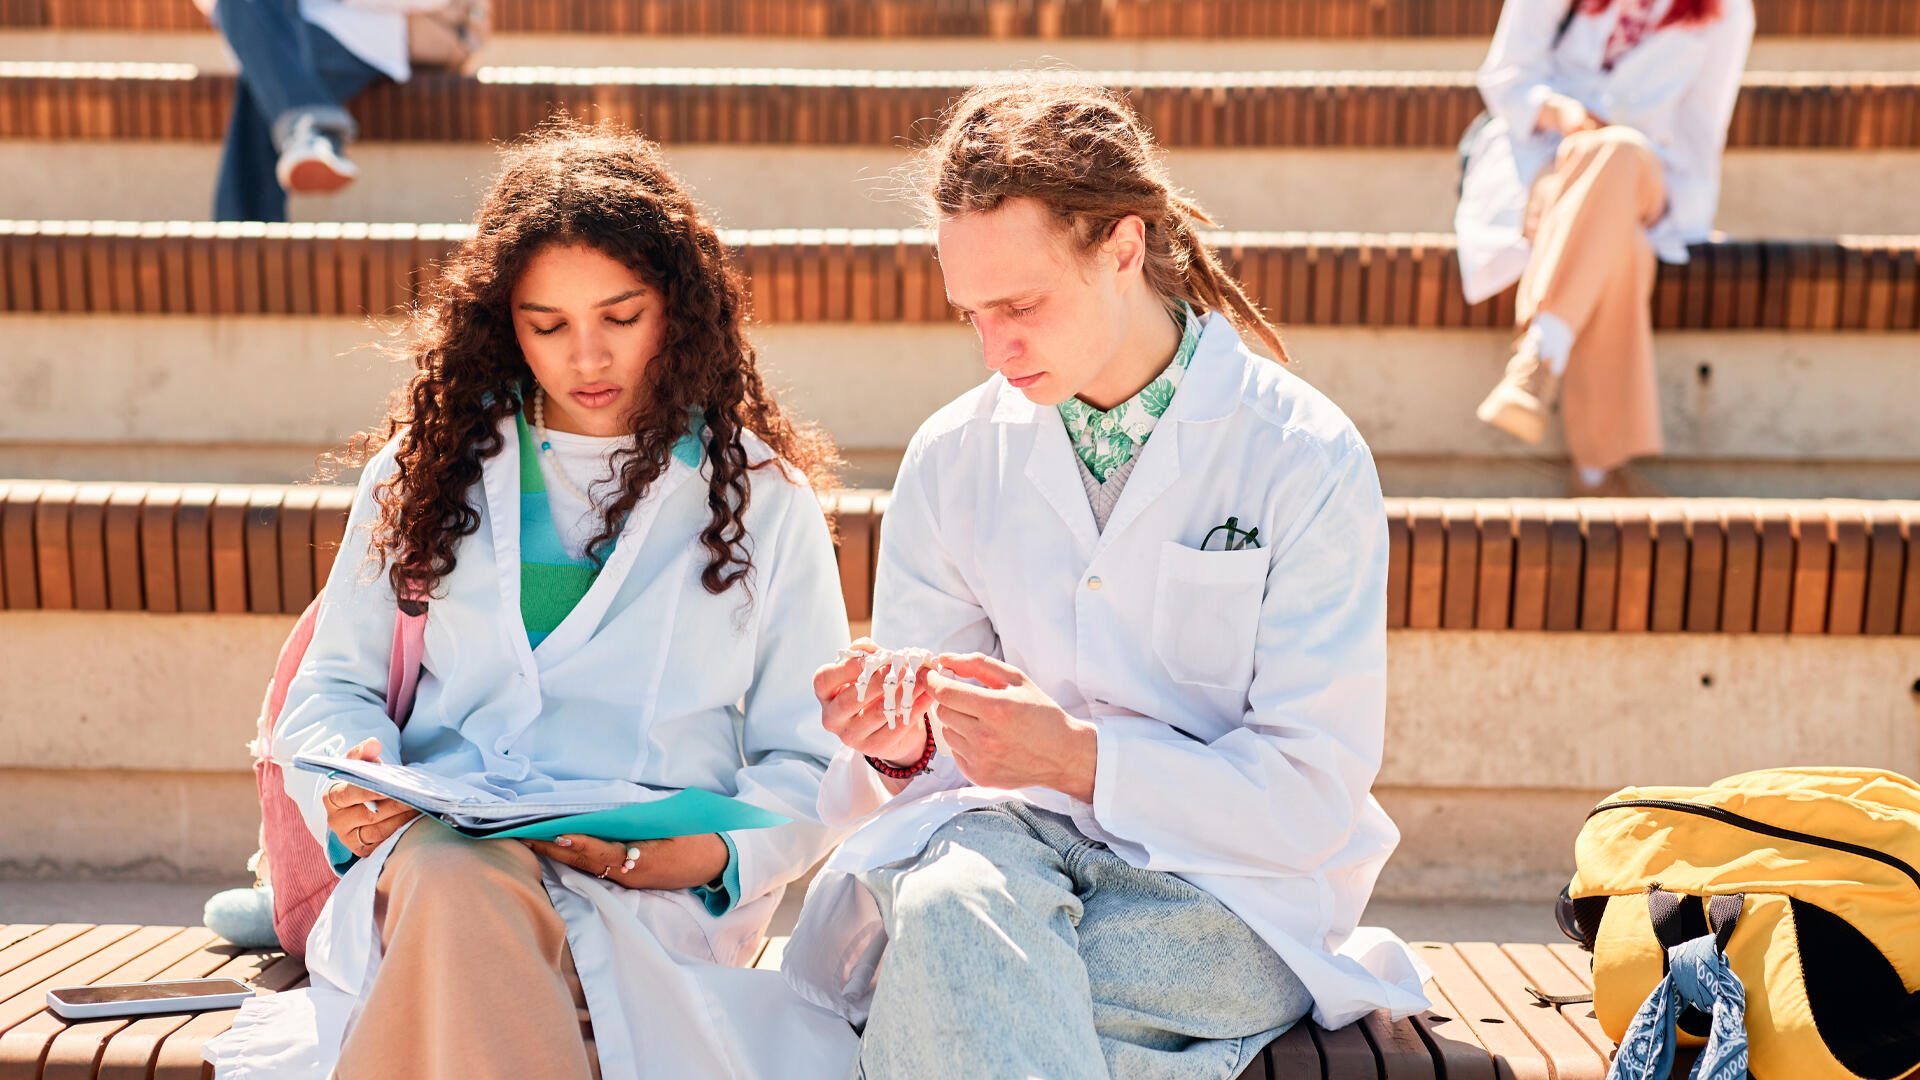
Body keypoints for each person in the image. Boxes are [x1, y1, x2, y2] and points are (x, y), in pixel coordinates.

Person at [780, 80, 1430, 1080]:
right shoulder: (955, 456)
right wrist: (905, 746)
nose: (994, 349)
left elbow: (1312, 795)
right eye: (971, 314)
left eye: (1020, 305)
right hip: (996, 863)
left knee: (950, 974)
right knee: (959, 920)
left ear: (1123, 248)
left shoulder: (1303, 454)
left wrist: (1080, 760)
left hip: (1217, 894)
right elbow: (936, 785)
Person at [203, 121, 859, 1080]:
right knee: (461, 879)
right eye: (545, 325)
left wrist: (695, 857)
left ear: (679, 307)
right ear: (502, 321)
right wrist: (349, 773)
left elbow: (810, 757)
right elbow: (331, 690)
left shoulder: (761, 498)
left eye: (620, 316)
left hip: (648, 897)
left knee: (463, 927)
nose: (584, 357)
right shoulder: (424, 473)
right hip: (432, 859)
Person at [1457, 0, 1755, 496]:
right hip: (1547, 161)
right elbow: (1507, 74)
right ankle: (1597, 471)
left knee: (1617, 150)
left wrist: (1677, 219)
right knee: (1622, 245)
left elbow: (1701, 127)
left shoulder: (1726, 11)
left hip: (1646, 173)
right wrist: (1562, 112)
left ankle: (1539, 358)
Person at [196, 0, 482, 222]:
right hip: (289, 36)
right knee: (272, 66)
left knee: (272, 74)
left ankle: (237, 253)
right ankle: (310, 130)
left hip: (373, 31)